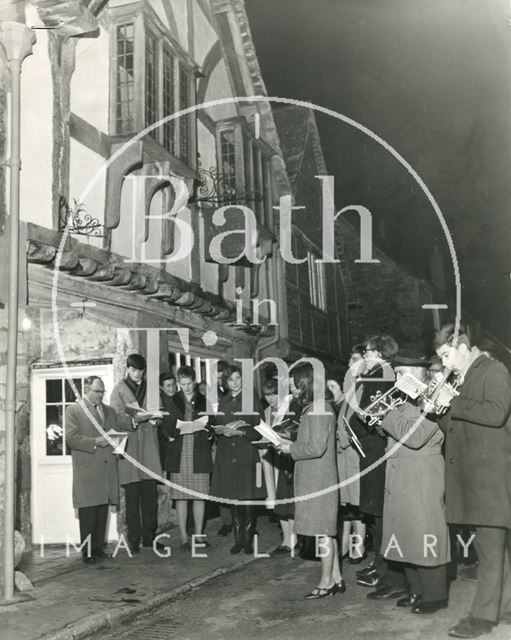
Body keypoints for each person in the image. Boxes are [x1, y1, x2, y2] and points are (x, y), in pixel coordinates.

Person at [434, 323, 511, 638]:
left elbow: (496, 412)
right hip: (475, 478)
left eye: (446, 354)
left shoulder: (492, 370)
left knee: (490, 549)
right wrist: (438, 405)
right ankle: (505, 607)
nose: (445, 363)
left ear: (463, 346)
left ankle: (481, 618)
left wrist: (453, 401)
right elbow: (452, 427)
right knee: (494, 548)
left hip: (490, 477)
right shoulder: (462, 378)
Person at [377, 352, 450, 613]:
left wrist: (385, 416)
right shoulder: (407, 399)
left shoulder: (435, 397)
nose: (396, 378)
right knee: (407, 532)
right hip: (402, 473)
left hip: (422, 474)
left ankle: (435, 595)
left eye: (400, 373)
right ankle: (417, 590)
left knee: (426, 531)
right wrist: (381, 421)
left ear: (418, 373)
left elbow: (416, 435)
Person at [275, 362, 344, 598]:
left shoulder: (318, 408)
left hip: (318, 479)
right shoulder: (317, 407)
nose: (293, 391)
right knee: (326, 531)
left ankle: (326, 583)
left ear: (306, 384)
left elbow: (316, 447)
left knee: (322, 532)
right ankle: (336, 577)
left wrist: (289, 448)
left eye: (296, 386)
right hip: (318, 477)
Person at [350, 334, 408, 599]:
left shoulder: (382, 377)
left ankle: (392, 577)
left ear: (380, 353)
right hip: (369, 451)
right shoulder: (374, 376)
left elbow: (375, 414)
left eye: (369, 351)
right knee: (375, 516)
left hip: (376, 451)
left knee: (381, 516)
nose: (365, 355)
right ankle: (384, 571)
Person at [110, 354, 163, 554]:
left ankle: (150, 538)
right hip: (131, 448)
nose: (137, 374)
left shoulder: (151, 389)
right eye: (133, 370)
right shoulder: (118, 391)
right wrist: (133, 421)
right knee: (132, 500)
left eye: (140, 371)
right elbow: (115, 417)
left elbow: (160, 414)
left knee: (150, 499)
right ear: (128, 369)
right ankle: (133, 540)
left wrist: (154, 419)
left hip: (148, 448)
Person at [65, 376, 121, 564]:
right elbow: (71, 439)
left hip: (106, 470)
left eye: (102, 391)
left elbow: (117, 430)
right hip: (88, 470)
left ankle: (98, 548)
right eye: (97, 391)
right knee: (88, 512)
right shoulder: (73, 410)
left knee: (101, 511)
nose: (100, 395)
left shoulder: (109, 411)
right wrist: (95, 442)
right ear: (86, 389)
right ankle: (87, 552)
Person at [210, 365, 264, 555]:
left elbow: (260, 428)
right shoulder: (223, 401)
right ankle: (238, 539)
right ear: (225, 382)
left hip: (246, 453)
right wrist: (220, 430)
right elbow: (218, 426)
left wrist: (241, 431)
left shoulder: (251, 400)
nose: (235, 382)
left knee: (247, 498)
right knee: (234, 499)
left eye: (238, 378)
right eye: (231, 379)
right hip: (227, 454)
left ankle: (248, 541)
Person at [162, 365, 214, 551]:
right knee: (181, 497)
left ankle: (199, 536)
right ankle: (184, 537)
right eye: (182, 384)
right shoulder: (172, 400)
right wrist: (172, 431)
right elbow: (165, 425)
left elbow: (212, 424)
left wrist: (207, 429)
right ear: (178, 383)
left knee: (199, 496)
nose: (186, 387)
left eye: (189, 383)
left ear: (194, 381)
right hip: (180, 452)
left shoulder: (204, 400)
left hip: (199, 451)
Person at [334, 346, 367, 564]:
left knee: (358, 503)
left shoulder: (365, 389)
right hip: (343, 455)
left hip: (355, 454)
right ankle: (348, 544)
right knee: (348, 504)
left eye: (354, 360)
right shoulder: (351, 389)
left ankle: (360, 545)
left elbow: (358, 423)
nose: (349, 364)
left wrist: (344, 439)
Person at [262, 378, 298, 554]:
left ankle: (293, 538)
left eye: (274, 394)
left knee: (288, 498)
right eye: (267, 395)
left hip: (286, 457)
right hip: (272, 459)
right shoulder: (267, 411)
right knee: (277, 498)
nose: (271, 399)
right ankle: (286, 538)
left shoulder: (288, 406)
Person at [157, 372, 178, 469]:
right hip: (165, 444)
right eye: (168, 385)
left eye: (174, 384)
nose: (172, 388)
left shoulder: (180, 399)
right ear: (161, 387)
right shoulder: (159, 402)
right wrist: (167, 436)